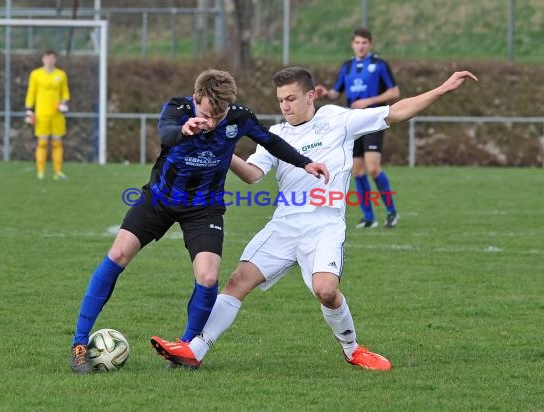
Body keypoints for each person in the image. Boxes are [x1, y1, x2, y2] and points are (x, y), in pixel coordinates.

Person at [151, 67, 477, 370]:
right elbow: (252, 176)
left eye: (291, 98)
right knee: (237, 281)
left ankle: (353, 349)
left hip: (324, 225)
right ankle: (196, 350)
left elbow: (397, 111)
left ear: (311, 96)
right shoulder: (275, 133)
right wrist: (224, 150)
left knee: (326, 291)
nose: (285, 106)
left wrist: (443, 89)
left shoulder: (338, 120)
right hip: (284, 224)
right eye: (280, 100)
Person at [69, 69, 329, 373]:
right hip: (160, 200)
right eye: (207, 113)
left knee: (207, 277)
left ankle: (186, 348)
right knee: (117, 254)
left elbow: (270, 141)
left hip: (204, 208)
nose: (213, 120)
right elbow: (165, 132)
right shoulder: (177, 110)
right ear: (196, 99)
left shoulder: (238, 117)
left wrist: (305, 162)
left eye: (220, 114)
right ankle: (78, 343)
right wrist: (186, 129)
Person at [316, 27, 400, 228]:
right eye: (357, 42)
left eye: (364, 42)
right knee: (358, 171)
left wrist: (368, 100)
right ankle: (369, 218)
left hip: (372, 120)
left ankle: (391, 212)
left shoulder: (379, 65)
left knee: (373, 168)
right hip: (352, 121)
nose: (360, 46)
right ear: (352, 44)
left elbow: (394, 91)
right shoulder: (347, 67)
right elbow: (336, 93)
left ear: (370, 44)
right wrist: (325, 93)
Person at [24, 49, 70, 180]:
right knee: (42, 142)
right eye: (47, 58)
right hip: (42, 114)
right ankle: (40, 171)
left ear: (55, 60)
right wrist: (29, 109)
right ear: (43, 59)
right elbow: (31, 92)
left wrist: (64, 103)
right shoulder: (36, 74)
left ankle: (58, 171)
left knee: (57, 143)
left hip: (57, 115)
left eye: (52, 58)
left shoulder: (61, 75)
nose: (50, 60)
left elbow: (65, 92)